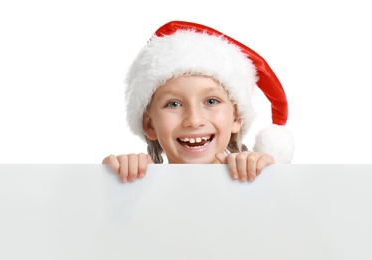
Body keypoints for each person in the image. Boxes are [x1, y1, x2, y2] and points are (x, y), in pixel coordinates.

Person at [102, 20, 294, 183]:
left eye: (211, 101)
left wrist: (269, 179)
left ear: (236, 117)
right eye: (174, 104)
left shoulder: (259, 182)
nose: (194, 120)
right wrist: (112, 185)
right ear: (149, 124)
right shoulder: (137, 185)